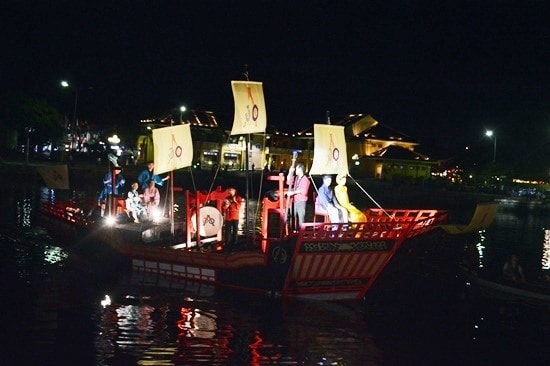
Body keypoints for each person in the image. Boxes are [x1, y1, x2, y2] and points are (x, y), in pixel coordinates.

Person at [286, 163, 311, 230]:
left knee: (301, 218)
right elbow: (289, 181)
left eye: (297, 169)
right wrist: (290, 172)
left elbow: (303, 191)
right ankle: (294, 231)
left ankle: (301, 232)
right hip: (295, 200)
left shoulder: (305, 179)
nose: (295, 170)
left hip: (301, 201)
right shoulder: (297, 178)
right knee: (293, 217)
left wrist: (293, 192)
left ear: (300, 169)